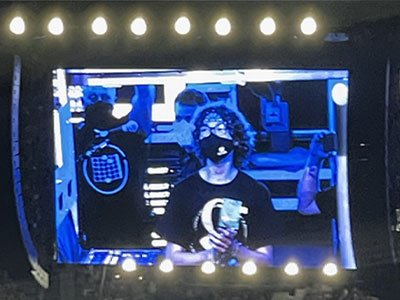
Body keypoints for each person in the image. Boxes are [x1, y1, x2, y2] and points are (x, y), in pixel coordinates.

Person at [157, 103, 281, 266]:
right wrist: (208, 256)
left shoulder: (256, 192)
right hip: (193, 286)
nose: (212, 135)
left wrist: (236, 249)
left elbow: (266, 260)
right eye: (205, 130)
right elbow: (172, 257)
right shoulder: (183, 191)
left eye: (220, 129)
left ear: (236, 139)